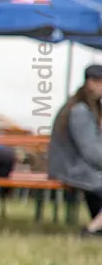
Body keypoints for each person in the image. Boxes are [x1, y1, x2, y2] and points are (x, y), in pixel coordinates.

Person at [48, 64, 102, 236]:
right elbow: (91, 152)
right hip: (73, 169)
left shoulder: (81, 107)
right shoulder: (80, 111)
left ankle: (94, 227)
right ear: (91, 83)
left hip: (77, 167)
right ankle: (91, 229)